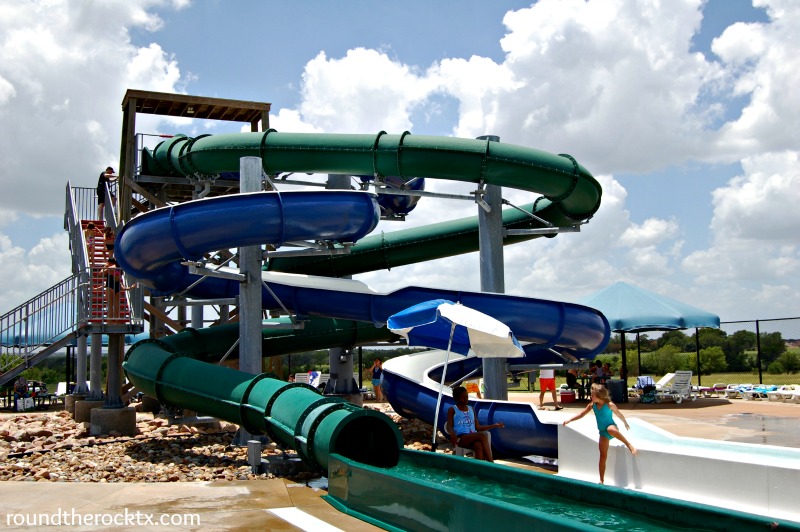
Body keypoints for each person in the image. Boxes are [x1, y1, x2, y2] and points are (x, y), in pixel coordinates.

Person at [563, 383, 637, 484]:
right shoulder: (592, 405)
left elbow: (619, 414)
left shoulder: (609, 405)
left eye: (592, 395)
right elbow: (581, 414)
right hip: (603, 432)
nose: (591, 397)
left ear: (599, 396)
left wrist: (625, 423)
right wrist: (570, 420)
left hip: (612, 427)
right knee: (602, 456)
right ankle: (601, 479)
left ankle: (629, 444)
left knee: (610, 430)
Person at [447, 385, 504, 462]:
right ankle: (491, 462)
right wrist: (452, 433)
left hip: (473, 437)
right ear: (456, 399)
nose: (466, 399)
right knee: (482, 435)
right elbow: (449, 426)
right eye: (463, 397)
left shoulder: (471, 409)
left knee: (478, 444)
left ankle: (479, 466)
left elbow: (477, 427)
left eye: (467, 396)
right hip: (461, 438)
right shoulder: (452, 409)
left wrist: (494, 425)